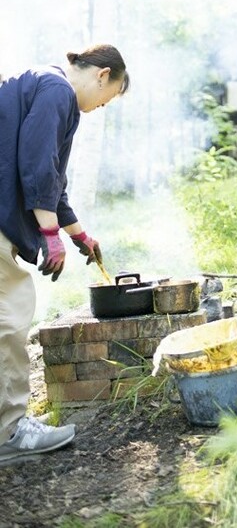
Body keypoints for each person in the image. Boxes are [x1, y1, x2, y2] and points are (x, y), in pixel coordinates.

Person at [0, 44, 130, 462]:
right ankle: (9, 432)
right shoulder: (58, 91)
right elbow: (36, 166)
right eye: (107, 99)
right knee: (9, 318)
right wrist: (50, 235)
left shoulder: (41, 82)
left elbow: (52, 180)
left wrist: (79, 235)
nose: (100, 107)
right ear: (102, 75)